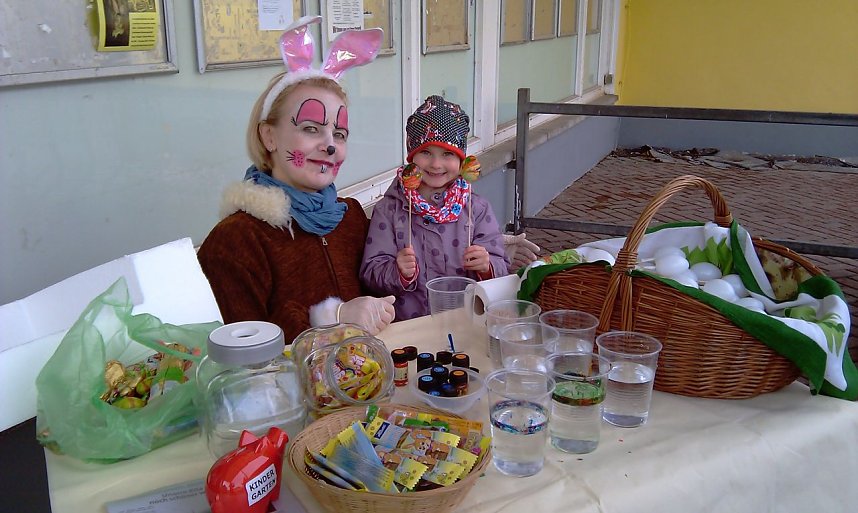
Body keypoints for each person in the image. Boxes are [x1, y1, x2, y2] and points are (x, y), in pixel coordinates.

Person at [196, 17, 395, 343]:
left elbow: (377, 297)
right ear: (269, 136)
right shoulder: (235, 241)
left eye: (339, 133)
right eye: (311, 129)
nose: (330, 144)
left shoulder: (351, 218)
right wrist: (334, 318)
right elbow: (242, 355)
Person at [359, 95, 510, 320]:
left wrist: (487, 265)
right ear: (412, 157)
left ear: (462, 161)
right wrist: (397, 272)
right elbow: (370, 271)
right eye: (426, 152)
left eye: (448, 154)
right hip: (409, 325)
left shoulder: (476, 209)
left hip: (466, 320)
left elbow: (502, 266)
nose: (436, 164)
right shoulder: (390, 210)